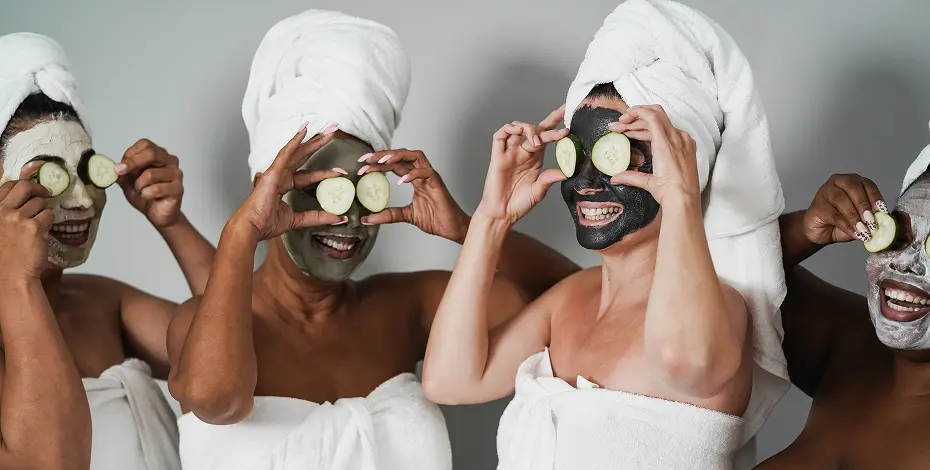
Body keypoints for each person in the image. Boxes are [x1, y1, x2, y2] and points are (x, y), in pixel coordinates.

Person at [166, 10, 579, 470]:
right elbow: (216, 400)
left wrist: (469, 227)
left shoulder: (406, 307)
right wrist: (241, 233)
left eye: (366, 190)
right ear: (268, 192)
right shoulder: (197, 325)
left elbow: (578, 306)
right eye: (321, 189)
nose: (350, 219)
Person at [422, 1, 791, 469]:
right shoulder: (570, 298)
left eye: (618, 155)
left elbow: (689, 365)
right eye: (577, 154)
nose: (588, 184)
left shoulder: (724, 311)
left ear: (682, 167)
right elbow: (450, 381)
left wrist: (681, 199)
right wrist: (491, 219)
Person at [0, 33, 214, 470]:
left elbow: (249, 349)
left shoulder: (102, 303)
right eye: (49, 175)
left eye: (87, 170)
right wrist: (16, 281)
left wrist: (172, 223)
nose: (81, 199)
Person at [756, 131, 930, 468]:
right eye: (900, 234)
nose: (903, 262)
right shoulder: (853, 346)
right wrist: (807, 231)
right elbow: (715, 278)